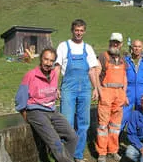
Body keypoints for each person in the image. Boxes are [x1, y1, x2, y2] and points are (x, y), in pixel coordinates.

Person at [15, 48, 78, 162]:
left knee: (72, 136)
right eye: (46, 59)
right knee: (56, 143)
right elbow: (20, 100)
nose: (48, 63)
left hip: (51, 110)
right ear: (41, 59)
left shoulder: (54, 74)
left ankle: (63, 159)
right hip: (35, 111)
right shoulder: (30, 75)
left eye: (51, 61)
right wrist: (26, 116)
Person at [55, 19, 99, 162]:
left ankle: (78, 155)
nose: (79, 33)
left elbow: (92, 71)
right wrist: (55, 87)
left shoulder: (88, 48)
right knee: (66, 123)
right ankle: (65, 155)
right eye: (76, 30)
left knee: (83, 123)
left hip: (85, 89)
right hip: (68, 88)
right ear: (72, 30)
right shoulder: (63, 46)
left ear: (84, 31)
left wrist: (96, 88)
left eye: (81, 30)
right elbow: (56, 68)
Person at [96, 32, 128, 162]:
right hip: (106, 92)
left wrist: (124, 93)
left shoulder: (122, 59)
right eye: (113, 41)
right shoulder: (103, 57)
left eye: (117, 42)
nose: (115, 44)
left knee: (115, 126)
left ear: (121, 44)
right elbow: (96, 74)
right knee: (103, 125)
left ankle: (113, 150)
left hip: (119, 94)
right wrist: (98, 90)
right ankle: (102, 153)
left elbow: (125, 77)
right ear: (109, 42)